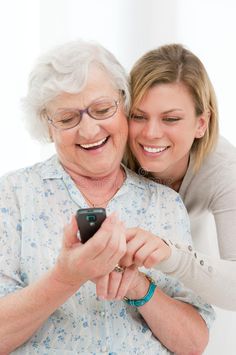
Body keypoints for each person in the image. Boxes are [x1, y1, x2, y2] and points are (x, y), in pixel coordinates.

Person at [0, 40, 214, 355]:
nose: (89, 131)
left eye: (102, 109)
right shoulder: (13, 196)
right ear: (48, 127)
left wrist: (140, 287)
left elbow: (194, 344)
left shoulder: (164, 203)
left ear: (124, 105)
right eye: (67, 118)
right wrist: (67, 277)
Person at [124, 43, 236, 311]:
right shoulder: (114, 149)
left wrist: (173, 257)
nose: (151, 133)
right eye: (138, 116)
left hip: (187, 251)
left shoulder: (223, 168)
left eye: (171, 119)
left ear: (201, 123)